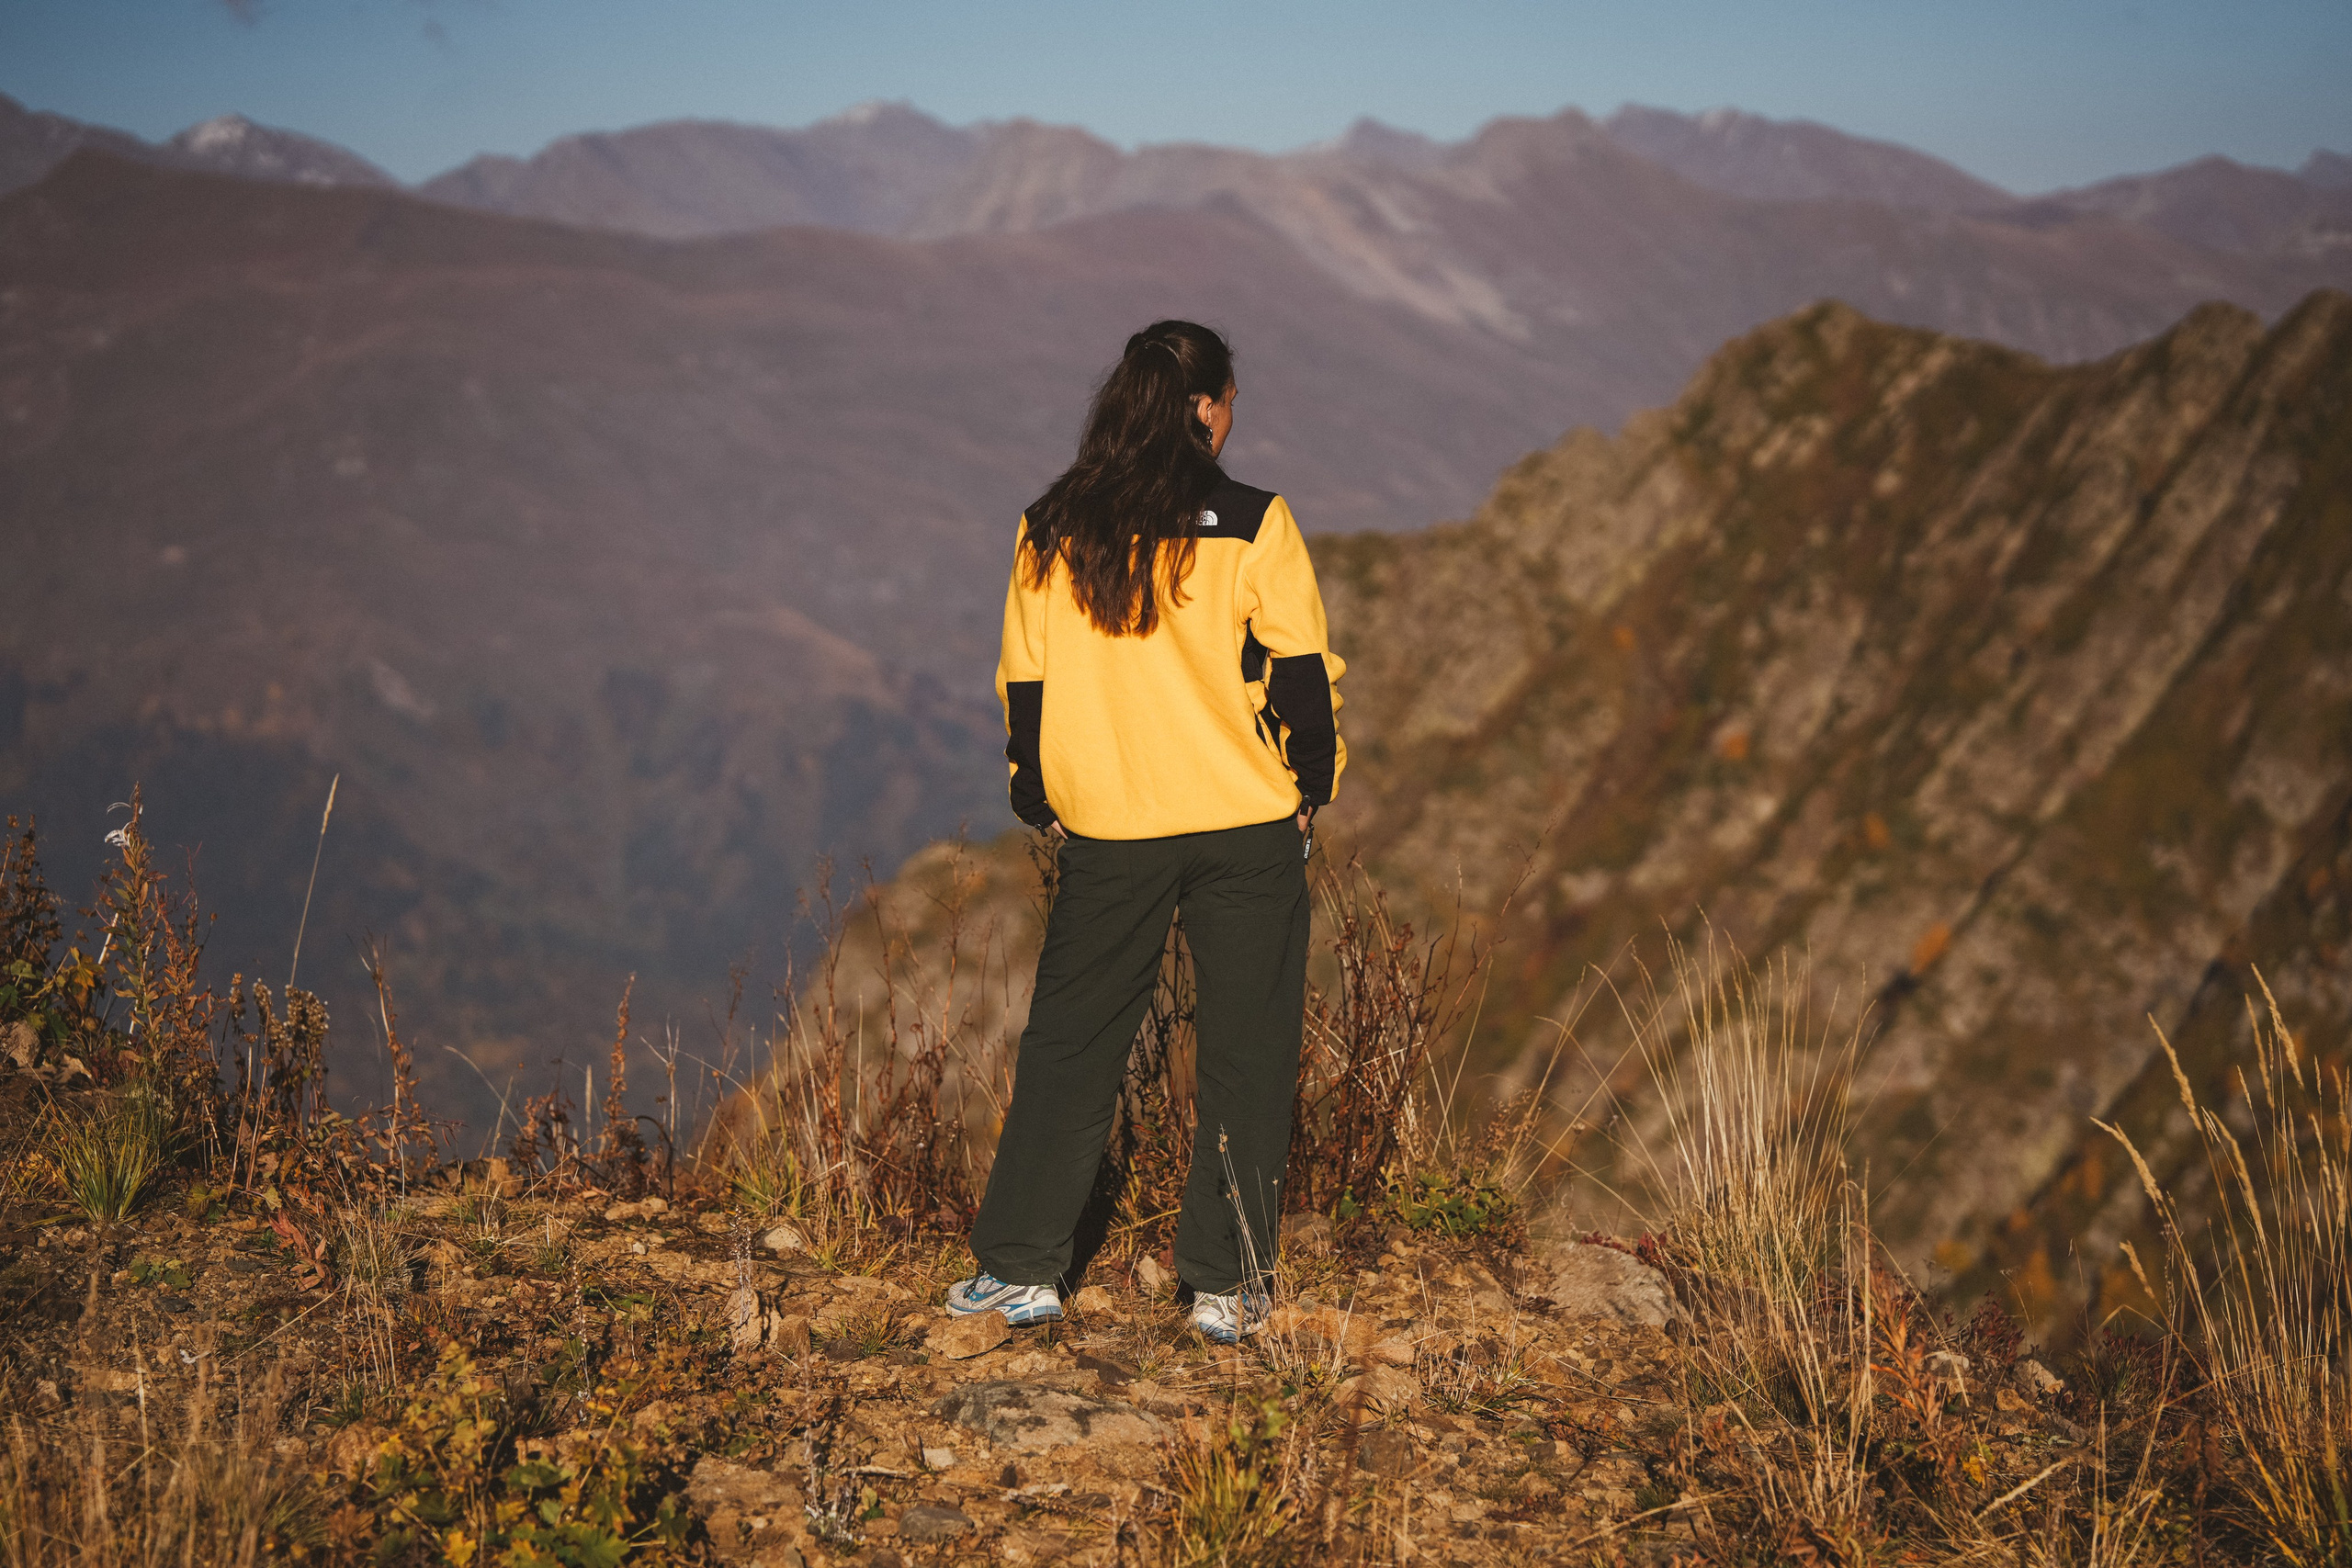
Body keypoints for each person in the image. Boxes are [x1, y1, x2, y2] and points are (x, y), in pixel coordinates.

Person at [944, 320, 1345, 1345]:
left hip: (1115, 830)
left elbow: (1023, 683)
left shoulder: (1053, 525)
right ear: (1206, 408)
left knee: (1073, 1043)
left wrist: (1038, 795)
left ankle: (1023, 1270)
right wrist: (1309, 784)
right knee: (1247, 1053)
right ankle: (1228, 1282)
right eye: (1228, 404)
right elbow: (1301, 673)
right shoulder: (1256, 522)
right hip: (1246, 823)